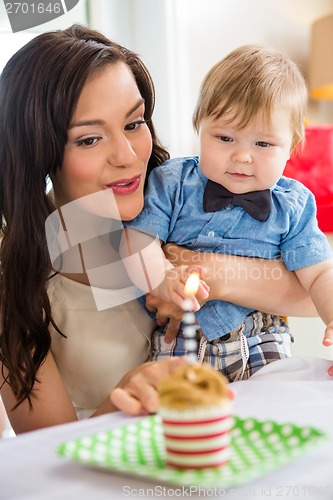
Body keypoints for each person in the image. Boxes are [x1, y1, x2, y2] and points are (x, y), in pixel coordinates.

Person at [0, 27, 319, 434]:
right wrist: (127, 395)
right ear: (38, 149)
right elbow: (42, 459)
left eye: (134, 123)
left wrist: (209, 273)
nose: (128, 156)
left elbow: (307, 290)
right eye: (90, 139)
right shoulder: (20, 279)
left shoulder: (180, 201)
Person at [124, 44, 333, 382]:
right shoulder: (172, 182)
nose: (242, 157)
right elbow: (136, 240)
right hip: (179, 340)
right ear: (199, 127)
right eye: (224, 137)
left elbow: (320, 275)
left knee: (280, 409)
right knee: (171, 415)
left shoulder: (294, 204)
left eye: (262, 144)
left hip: (261, 338)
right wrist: (160, 275)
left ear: (292, 146)